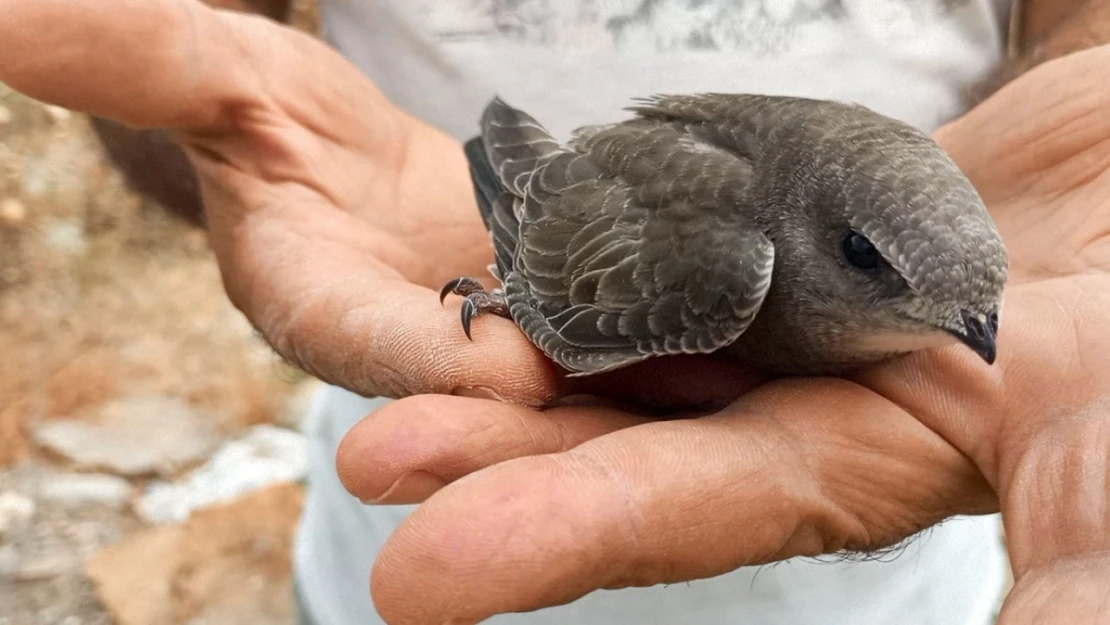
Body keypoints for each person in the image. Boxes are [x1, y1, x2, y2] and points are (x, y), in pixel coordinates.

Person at [2, 1, 1109, 624]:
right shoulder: (721, 260)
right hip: (424, 525)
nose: (974, 339)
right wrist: (215, 137)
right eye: (875, 268)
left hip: (916, 587)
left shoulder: (921, 271)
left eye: (977, 305)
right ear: (827, 245)